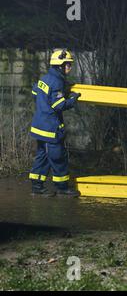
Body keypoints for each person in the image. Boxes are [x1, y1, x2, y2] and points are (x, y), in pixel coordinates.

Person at [29, 49, 82, 197]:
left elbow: (35, 93)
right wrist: (72, 99)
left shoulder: (45, 78)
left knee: (43, 156)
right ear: (60, 65)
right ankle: (62, 188)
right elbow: (59, 105)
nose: (70, 68)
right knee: (57, 157)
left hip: (40, 126)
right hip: (50, 129)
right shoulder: (57, 81)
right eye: (67, 65)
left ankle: (37, 187)